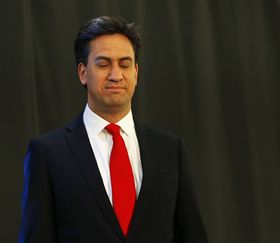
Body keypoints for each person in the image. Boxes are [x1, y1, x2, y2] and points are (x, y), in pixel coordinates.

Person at [18, 16, 208, 243]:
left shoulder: (170, 149)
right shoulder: (47, 153)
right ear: (82, 72)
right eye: (103, 63)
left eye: (125, 64)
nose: (116, 75)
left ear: (136, 73)